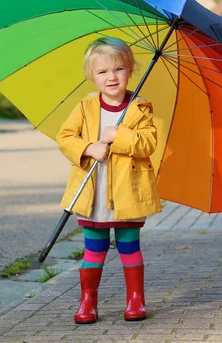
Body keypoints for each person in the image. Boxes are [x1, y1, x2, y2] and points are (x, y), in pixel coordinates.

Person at [56, 36, 162, 324]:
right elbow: (65, 138)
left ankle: (135, 299)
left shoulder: (140, 108)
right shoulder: (85, 106)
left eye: (118, 69)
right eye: (102, 72)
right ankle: (88, 300)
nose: (111, 77)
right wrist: (88, 148)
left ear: (131, 70)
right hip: (94, 193)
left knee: (129, 245)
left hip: (128, 192)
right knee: (95, 247)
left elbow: (147, 144)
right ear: (92, 76)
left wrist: (120, 135)